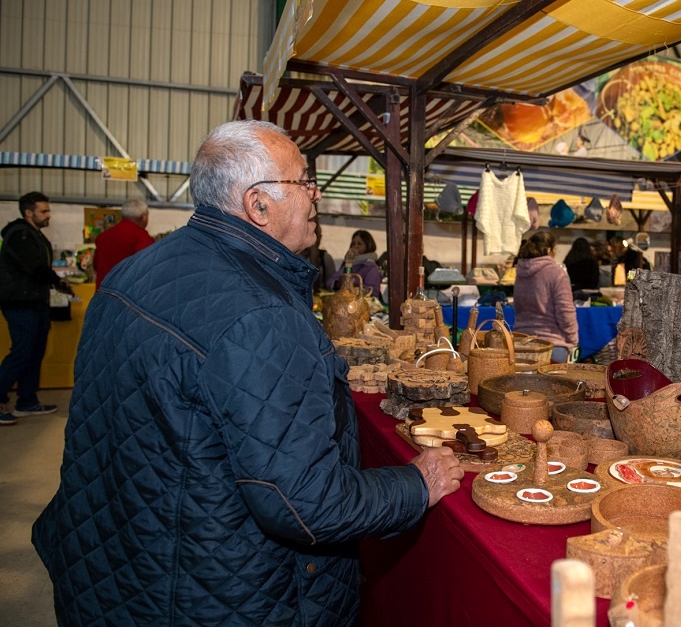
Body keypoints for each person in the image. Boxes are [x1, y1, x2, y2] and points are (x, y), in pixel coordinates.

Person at [32, 120, 463, 625]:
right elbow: (304, 502)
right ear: (258, 204)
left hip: (112, 570)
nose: (315, 196)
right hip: (210, 593)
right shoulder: (263, 316)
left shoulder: (138, 270)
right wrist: (415, 484)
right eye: (303, 181)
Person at [0, 192, 68, 424]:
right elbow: (35, 266)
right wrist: (57, 281)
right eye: (44, 211)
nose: (48, 215)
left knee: (34, 352)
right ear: (29, 213)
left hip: (35, 302)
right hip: (21, 303)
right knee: (21, 352)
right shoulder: (20, 235)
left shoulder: (33, 235)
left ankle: (27, 400)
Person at [513, 231, 578, 362]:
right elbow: (565, 313)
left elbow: (517, 307)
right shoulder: (557, 273)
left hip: (520, 344)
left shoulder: (520, 273)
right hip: (551, 345)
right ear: (549, 250)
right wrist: (573, 340)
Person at [94, 198, 155, 288]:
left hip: (102, 294)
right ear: (143, 217)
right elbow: (147, 270)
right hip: (126, 295)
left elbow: (96, 266)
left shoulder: (103, 236)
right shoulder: (142, 238)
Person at [327, 229, 383, 299]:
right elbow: (329, 282)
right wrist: (337, 283)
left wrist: (354, 285)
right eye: (353, 243)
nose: (355, 246)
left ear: (368, 246)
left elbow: (373, 292)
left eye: (359, 244)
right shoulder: (349, 263)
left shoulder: (371, 267)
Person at [298, 221, 336, 293]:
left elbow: (331, 283)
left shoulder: (325, 258)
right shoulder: (294, 256)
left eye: (317, 237)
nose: (315, 240)